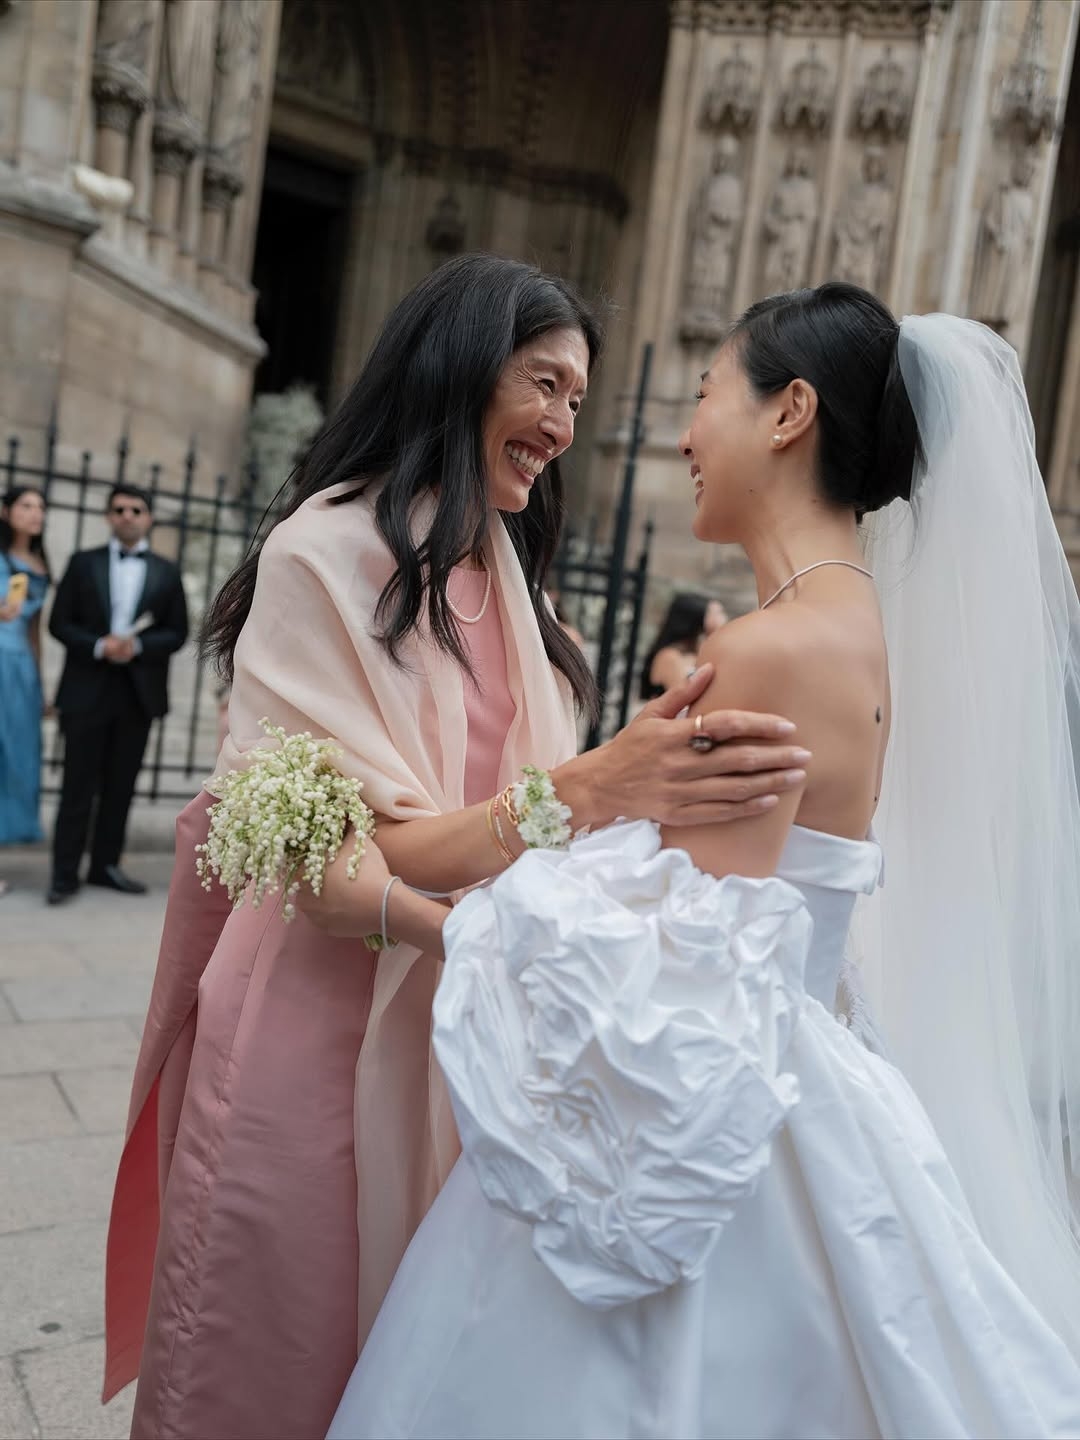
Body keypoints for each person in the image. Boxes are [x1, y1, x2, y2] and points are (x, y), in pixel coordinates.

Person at [327, 284, 1080, 1438]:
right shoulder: (853, 628)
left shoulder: (771, 650)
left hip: (714, 1105)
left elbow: (680, 961)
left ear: (789, 413)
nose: (683, 435)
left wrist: (478, 913)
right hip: (805, 1064)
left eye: (703, 393)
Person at [102, 255, 808, 1440]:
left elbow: (542, 823)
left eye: (577, 400)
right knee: (281, 1346)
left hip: (469, 1014)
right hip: (316, 1018)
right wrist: (585, 789)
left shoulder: (515, 581)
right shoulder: (323, 553)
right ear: (461, 365)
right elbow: (356, 854)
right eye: (545, 384)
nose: (562, 426)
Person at [47, 484, 188, 904]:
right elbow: (59, 622)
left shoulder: (167, 571)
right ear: (109, 516)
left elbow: (177, 631)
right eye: (120, 509)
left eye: (136, 509)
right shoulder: (82, 562)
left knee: (120, 786)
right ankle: (63, 874)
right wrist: (98, 645)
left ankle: (105, 867)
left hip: (136, 694)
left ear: (148, 518)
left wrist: (138, 646)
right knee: (76, 786)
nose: (128, 515)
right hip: (86, 688)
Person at [0, 488, 51, 889]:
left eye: (40, 507)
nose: (35, 514)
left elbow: (35, 630)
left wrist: (41, 683)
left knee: (13, 761)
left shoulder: (40, 565)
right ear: (6, 511)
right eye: (26, 506)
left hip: (21, 674)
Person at [640, 591, 728, 700]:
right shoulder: (669, 656)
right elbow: (684, 697)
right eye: (717, 613)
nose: (723, 619)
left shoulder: (701, 651)